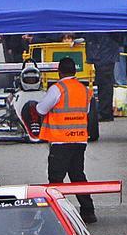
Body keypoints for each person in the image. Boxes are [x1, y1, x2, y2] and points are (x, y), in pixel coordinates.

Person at [33, 58, 97, 224]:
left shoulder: (57, 89)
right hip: (80, 140)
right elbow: (87, 110)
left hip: (61, 141)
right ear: (75, 72)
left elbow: (41, 109)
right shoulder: (83, 89)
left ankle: (55, 214)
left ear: (59, 72)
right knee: (78, 176)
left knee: (56, 179)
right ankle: (88, 212)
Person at [85, 33, 121, 122]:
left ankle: (105, 113)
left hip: (104, 51)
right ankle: (105, 111)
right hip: (102, 51)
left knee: (105, 84)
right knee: (103, 83)